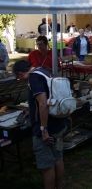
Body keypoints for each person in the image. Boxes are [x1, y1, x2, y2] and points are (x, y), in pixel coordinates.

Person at [13, 60, 68, 189]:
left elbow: (43, 103)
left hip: (47, 127)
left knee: (47, 166)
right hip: (58, 121)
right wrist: (30, 109)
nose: (20, 80)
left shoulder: (33, 78)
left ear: (21, 73)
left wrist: (43, 130)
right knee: (58, 158)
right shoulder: (43, 71)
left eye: (19, 77)